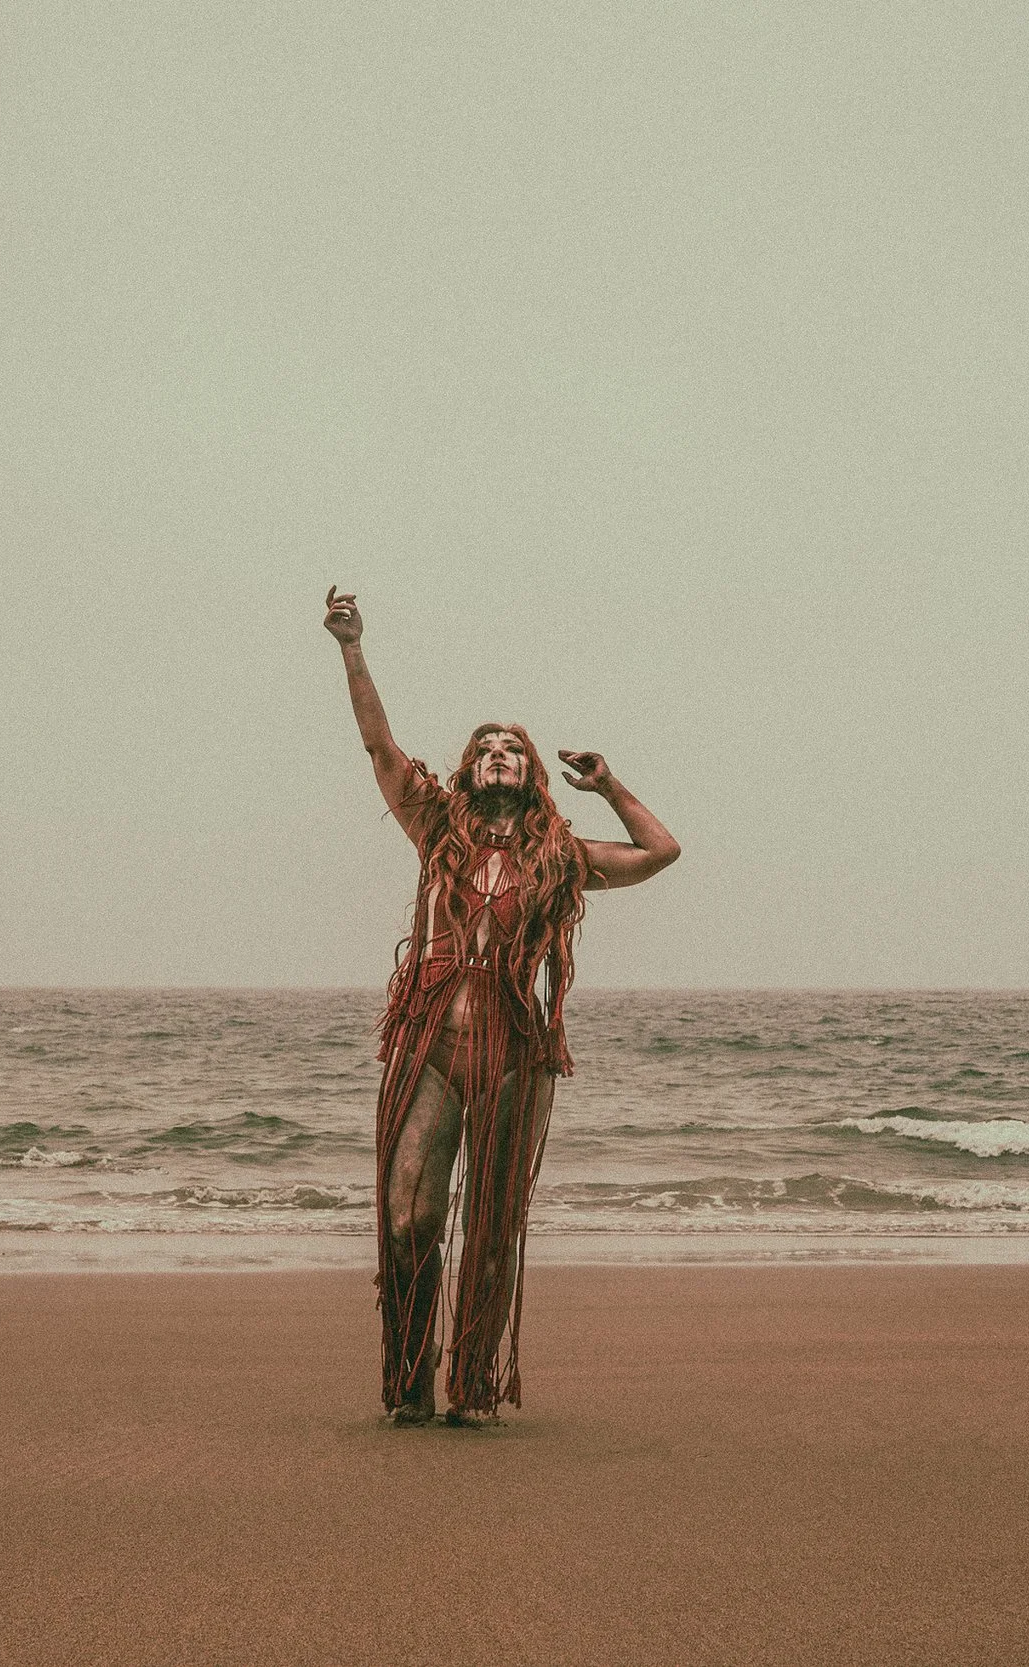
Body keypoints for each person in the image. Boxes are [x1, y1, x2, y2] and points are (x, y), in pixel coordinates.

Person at [323, 585, 681, 1426]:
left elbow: (661, 850)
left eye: (509, 748)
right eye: (483, 745)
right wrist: (352, 648)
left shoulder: (561, 857)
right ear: (466, 768)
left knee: (491, 1229)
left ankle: (474, 1390)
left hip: (518, 1056)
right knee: (412, 1214)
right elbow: (379, 747)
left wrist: (610, 783)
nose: (494, 753)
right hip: (432, 1052)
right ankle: (409, 1382)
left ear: (528, 775)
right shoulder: (435, 825)